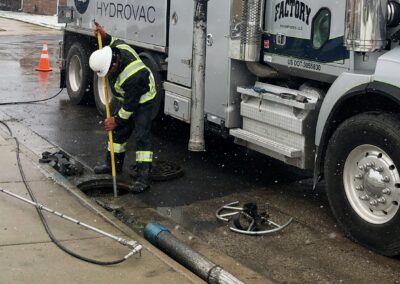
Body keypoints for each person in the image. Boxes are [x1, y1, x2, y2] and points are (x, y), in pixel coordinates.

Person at [89, 21, 156, 193]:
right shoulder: (116, 48)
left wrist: (116, 120)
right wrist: (104, 36)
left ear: (115, 63)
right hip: (128, 97)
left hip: (143, 99)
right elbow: (113, 40)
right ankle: (112, 165)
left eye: (108, 72)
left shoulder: (133, 76)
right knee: (118, 134)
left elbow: (129, 107)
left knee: (141, 136)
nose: (108, 76)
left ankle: (143, 178)